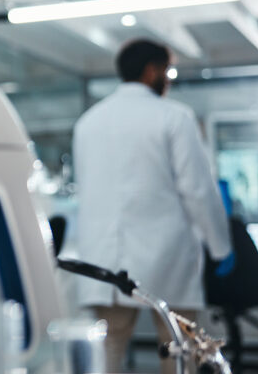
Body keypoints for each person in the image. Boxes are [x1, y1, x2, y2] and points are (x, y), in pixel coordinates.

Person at [73, 38, 232, 374]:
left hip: (102, 260)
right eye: (167, 70)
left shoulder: (88, 122)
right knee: (178, 353)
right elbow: (198, 191)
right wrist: (221, 247)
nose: (169, 78)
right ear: (152, 71)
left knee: (106, 355)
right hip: (166, 258)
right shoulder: (174, 117)